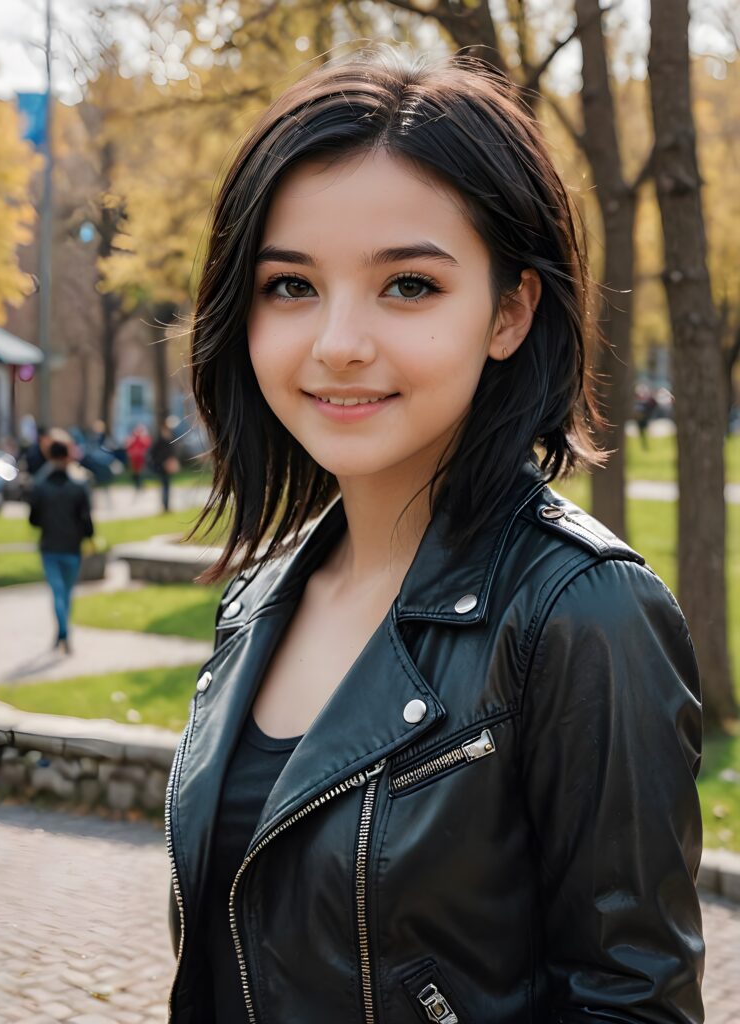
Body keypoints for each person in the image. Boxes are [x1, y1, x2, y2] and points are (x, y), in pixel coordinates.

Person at [166, 51, 704, 1023]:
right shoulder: (258, 600)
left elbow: (635, 1001)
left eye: (407, 285)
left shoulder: (582, 614)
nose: (338, 341)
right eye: (290, 285)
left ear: (508, 310)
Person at [28, 438, 94, 654]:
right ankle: (64, 632)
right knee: (66, 593)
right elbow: (86, 520)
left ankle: (61, 632)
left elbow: (33, 520)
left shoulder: (40, 486)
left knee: (58, 593)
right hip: (71, 547)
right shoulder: (78, 486)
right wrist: (88, 535)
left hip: (50, 546)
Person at [149, 421, 179, 513]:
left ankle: (167, 506)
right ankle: (165, 506)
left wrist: (173, 462)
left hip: (169, 468)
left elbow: (173, 454)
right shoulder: (159, 442)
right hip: (161, 468)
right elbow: (153, 455)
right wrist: (163, 462)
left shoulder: (170, 440)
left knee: (167, 487)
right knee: (165, 487)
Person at [125, 423, 151, 492]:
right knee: (135, 472)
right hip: (134, 457)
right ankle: (137, 484)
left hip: (141, 457)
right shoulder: (132, 438)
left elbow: (147, 445)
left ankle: (140, 484)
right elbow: (128, 445)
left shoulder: (143, 437)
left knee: (140, 471)